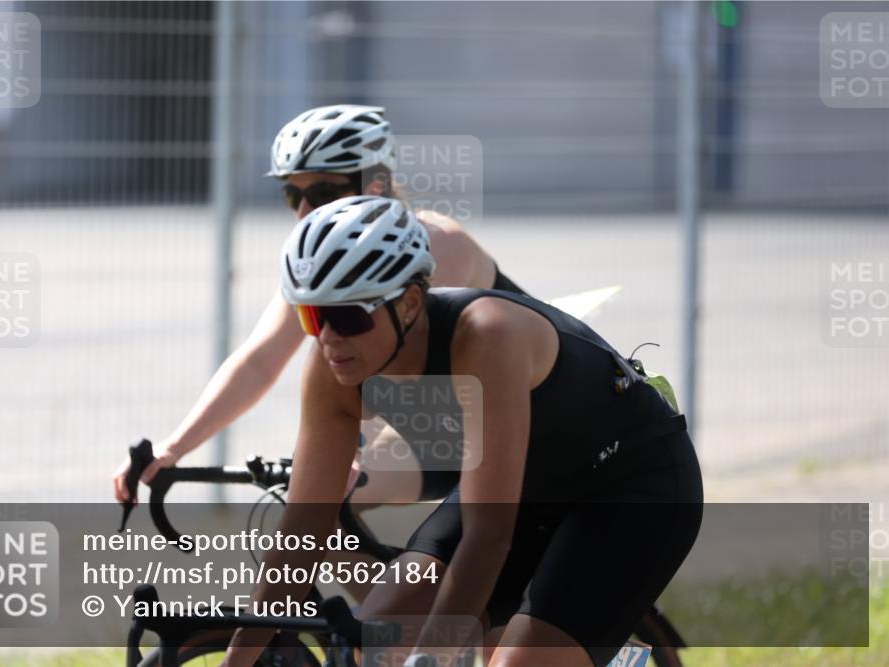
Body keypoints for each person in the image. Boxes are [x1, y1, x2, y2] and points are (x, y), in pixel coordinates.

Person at [221, 196, 703, 667]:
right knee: (378, 635)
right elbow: (303, 532)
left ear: (410, 303)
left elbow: (488, 533)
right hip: (529, 491)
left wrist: (434, 653)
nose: (328, 337)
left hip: (629, 488)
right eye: (313, 315)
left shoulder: (485, 337)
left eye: (348, 315)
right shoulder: (332, 367)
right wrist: (239, 657)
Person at [113, 104, 528, 509]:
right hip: (440, 419)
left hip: (515, 415)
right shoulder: (320, 259)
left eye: (323, 192)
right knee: (315, 510)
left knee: (335, 500)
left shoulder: (436, 244)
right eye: (293, 195)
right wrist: (174, 446)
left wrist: (357, 448)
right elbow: (260, 360)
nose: (305, 211)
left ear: (375, 185)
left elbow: (406, 368)